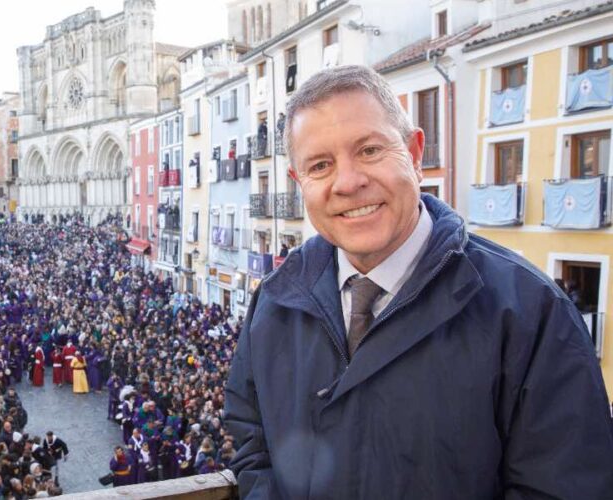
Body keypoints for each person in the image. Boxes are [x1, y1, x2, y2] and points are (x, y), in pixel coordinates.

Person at [224, 65, 613, 499]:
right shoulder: (274, 303)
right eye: (320, 165)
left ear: (414, 153)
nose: (349, 182)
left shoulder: (531, 312)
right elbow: (251, 443)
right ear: (300, 183)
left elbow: (563, 486)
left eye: (370, 150)